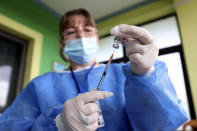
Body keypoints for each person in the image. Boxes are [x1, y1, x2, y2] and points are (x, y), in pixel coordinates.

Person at [0, 8, 188, 131]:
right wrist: (58, 124)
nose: (81, 35)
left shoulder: (127, 73)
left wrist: (145, 74)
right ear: (62, 43)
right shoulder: (40, 85)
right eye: (71, 32)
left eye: (88, 30)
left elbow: (161, 125)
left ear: (97, 38)